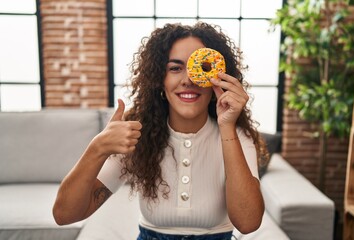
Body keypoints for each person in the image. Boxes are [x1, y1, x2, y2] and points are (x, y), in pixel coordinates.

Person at [53, 22, 267, 240]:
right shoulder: (138, 137)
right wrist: (97, 148)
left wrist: (227, 127)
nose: (188, 80)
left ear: (219, 78)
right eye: (175, 68)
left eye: (201, 68)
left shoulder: (238, 137)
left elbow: (248, 222)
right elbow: (64, 214)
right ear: (159, 80)